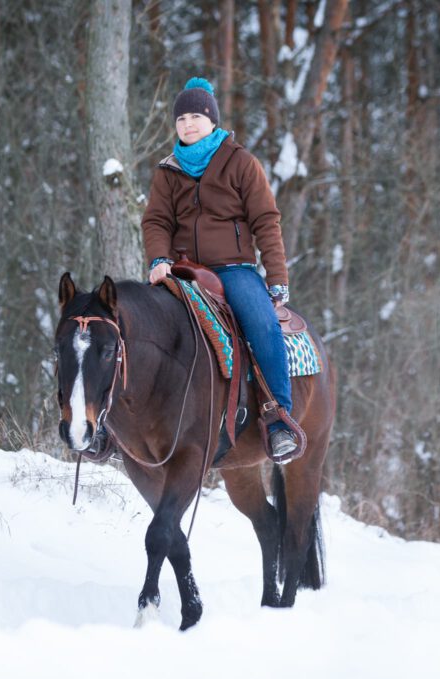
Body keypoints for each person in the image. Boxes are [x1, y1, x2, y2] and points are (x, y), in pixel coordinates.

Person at [141, 77, 298, 462]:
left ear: (212, 119)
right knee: (140, 325)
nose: (188, 124)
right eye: (181, 119)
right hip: (179, 270)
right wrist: (159, 259)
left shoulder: (240, 162)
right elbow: (156, 221)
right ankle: (129, 420)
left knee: (261, 323)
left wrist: (276, 278)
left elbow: (266, 220)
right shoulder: (168, 170)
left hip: (233, 270)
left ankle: (279, 418)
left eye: (196, 116)